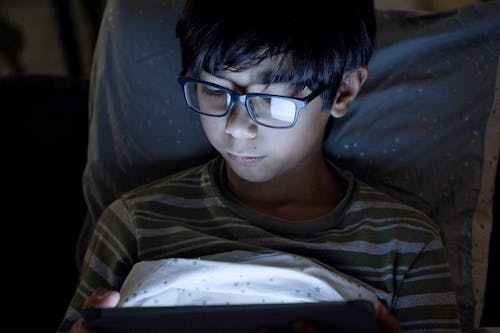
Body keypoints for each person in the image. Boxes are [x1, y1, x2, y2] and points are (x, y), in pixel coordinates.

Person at [58, 0, 461, 332]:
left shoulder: (403, 244)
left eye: (271, 100)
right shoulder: (134, 224)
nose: (236, 128)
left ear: (343, 90)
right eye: (214, 91)